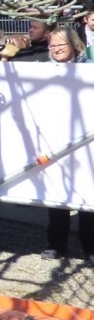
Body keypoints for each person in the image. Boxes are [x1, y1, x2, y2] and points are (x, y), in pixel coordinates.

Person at [42, 26, 92, 261]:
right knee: (56, 196)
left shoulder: (89, 69)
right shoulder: (43, 71)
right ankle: (56, 244)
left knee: (88, 198)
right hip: (54, 139)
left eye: (61, 44)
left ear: (73, 44)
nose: (56, 49)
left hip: (86, 141)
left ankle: (90, 247)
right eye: (52, 45)